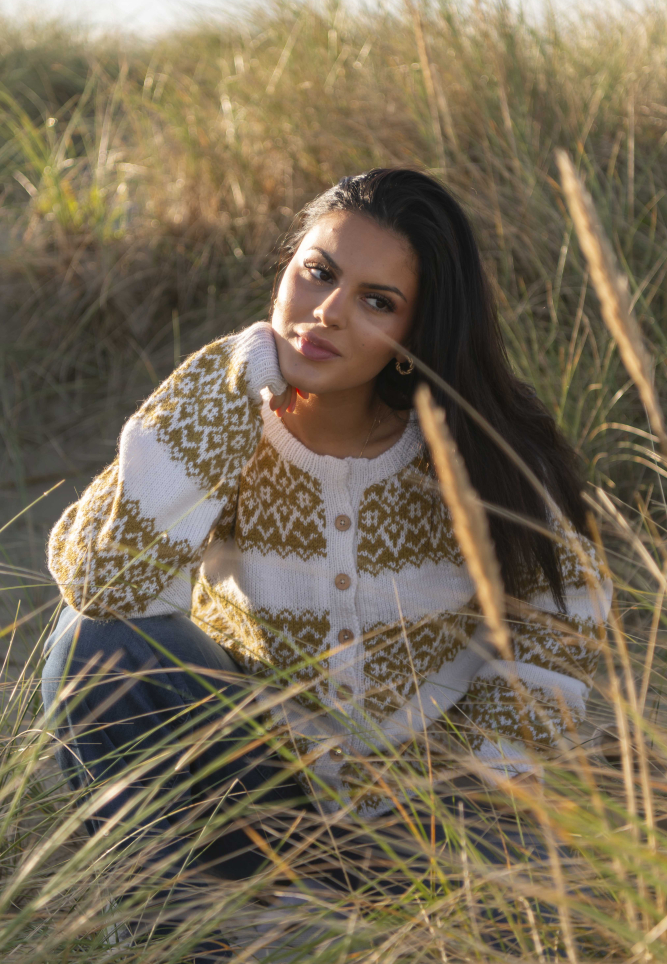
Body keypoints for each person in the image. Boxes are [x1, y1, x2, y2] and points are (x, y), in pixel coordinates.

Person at [42, 168, 611, 962]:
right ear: (286, 267)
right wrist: (232, 374)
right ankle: (171, 937)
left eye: (376, 301)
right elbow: (104, 582)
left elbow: (562, 627)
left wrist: (482, 787)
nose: (328, 312)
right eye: (317, 273)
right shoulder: (223, 424)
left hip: (435, 823)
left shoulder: (478, 451)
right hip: (256, 798)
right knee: (95, 640)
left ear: (419, 329)